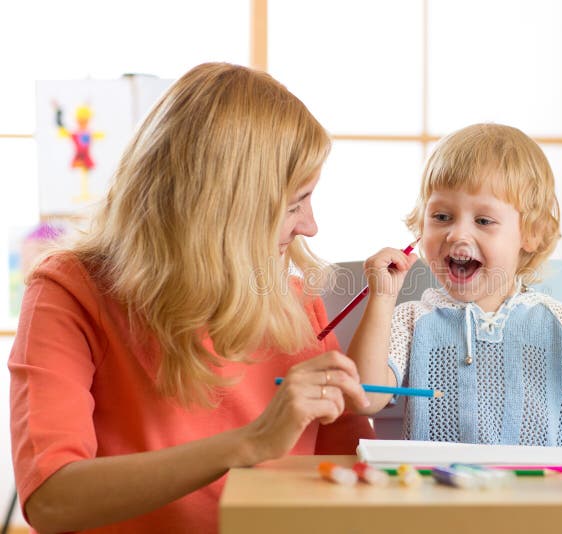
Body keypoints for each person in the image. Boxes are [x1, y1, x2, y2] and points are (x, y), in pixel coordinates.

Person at [9, 62, 374, 533]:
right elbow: (51, 499)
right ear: (225, 211)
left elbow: (353, 476)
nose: (310, 226)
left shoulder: (295, 303)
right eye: (294, 204)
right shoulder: (70, 292)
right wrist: (248, 444)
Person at [348, 123, 562, 446]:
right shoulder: (413, 320)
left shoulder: (557, 323)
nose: (456, 234)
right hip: (435, 492)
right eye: (441, 217)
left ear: (531, 233)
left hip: (536, 493)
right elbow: (365, 398)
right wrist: (382, 299)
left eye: (483, 221)